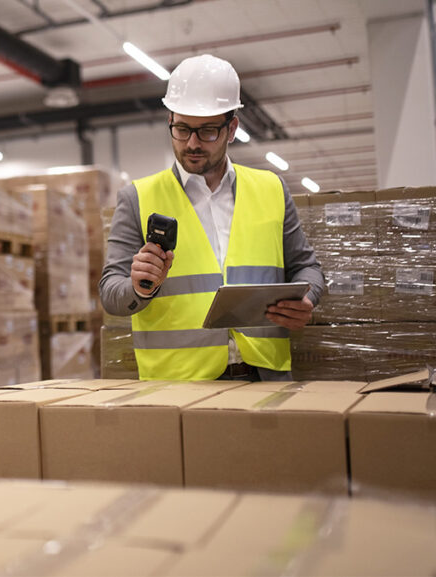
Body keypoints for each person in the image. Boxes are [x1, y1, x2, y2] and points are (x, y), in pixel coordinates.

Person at [99, 54, 324, 382]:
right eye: (181, 129)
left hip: (264, 377)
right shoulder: (137, 198)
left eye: (206, 131)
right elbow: (110, 292)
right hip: (178, 387)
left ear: (231, 128)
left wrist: (307, 299)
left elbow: (308, 267)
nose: (191, 143)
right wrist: (139, 287)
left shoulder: (271, 189)